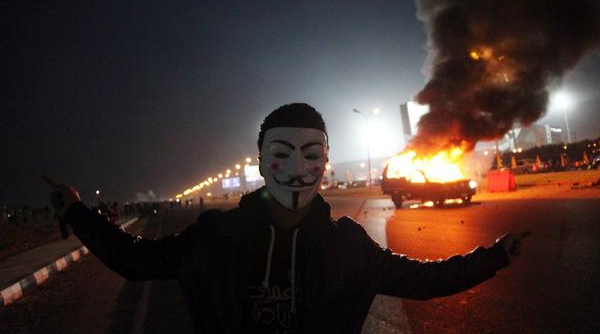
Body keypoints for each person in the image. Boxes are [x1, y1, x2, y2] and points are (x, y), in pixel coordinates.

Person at [44, 103, 524, 333]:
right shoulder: (216, 237)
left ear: (326, 161)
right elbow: (132, 258)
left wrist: (492, 258)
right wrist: (76, 210)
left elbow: (422, 280)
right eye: (282, 153)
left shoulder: (348, 245)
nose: (297, 170)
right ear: (259, 160)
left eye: (311, 154)